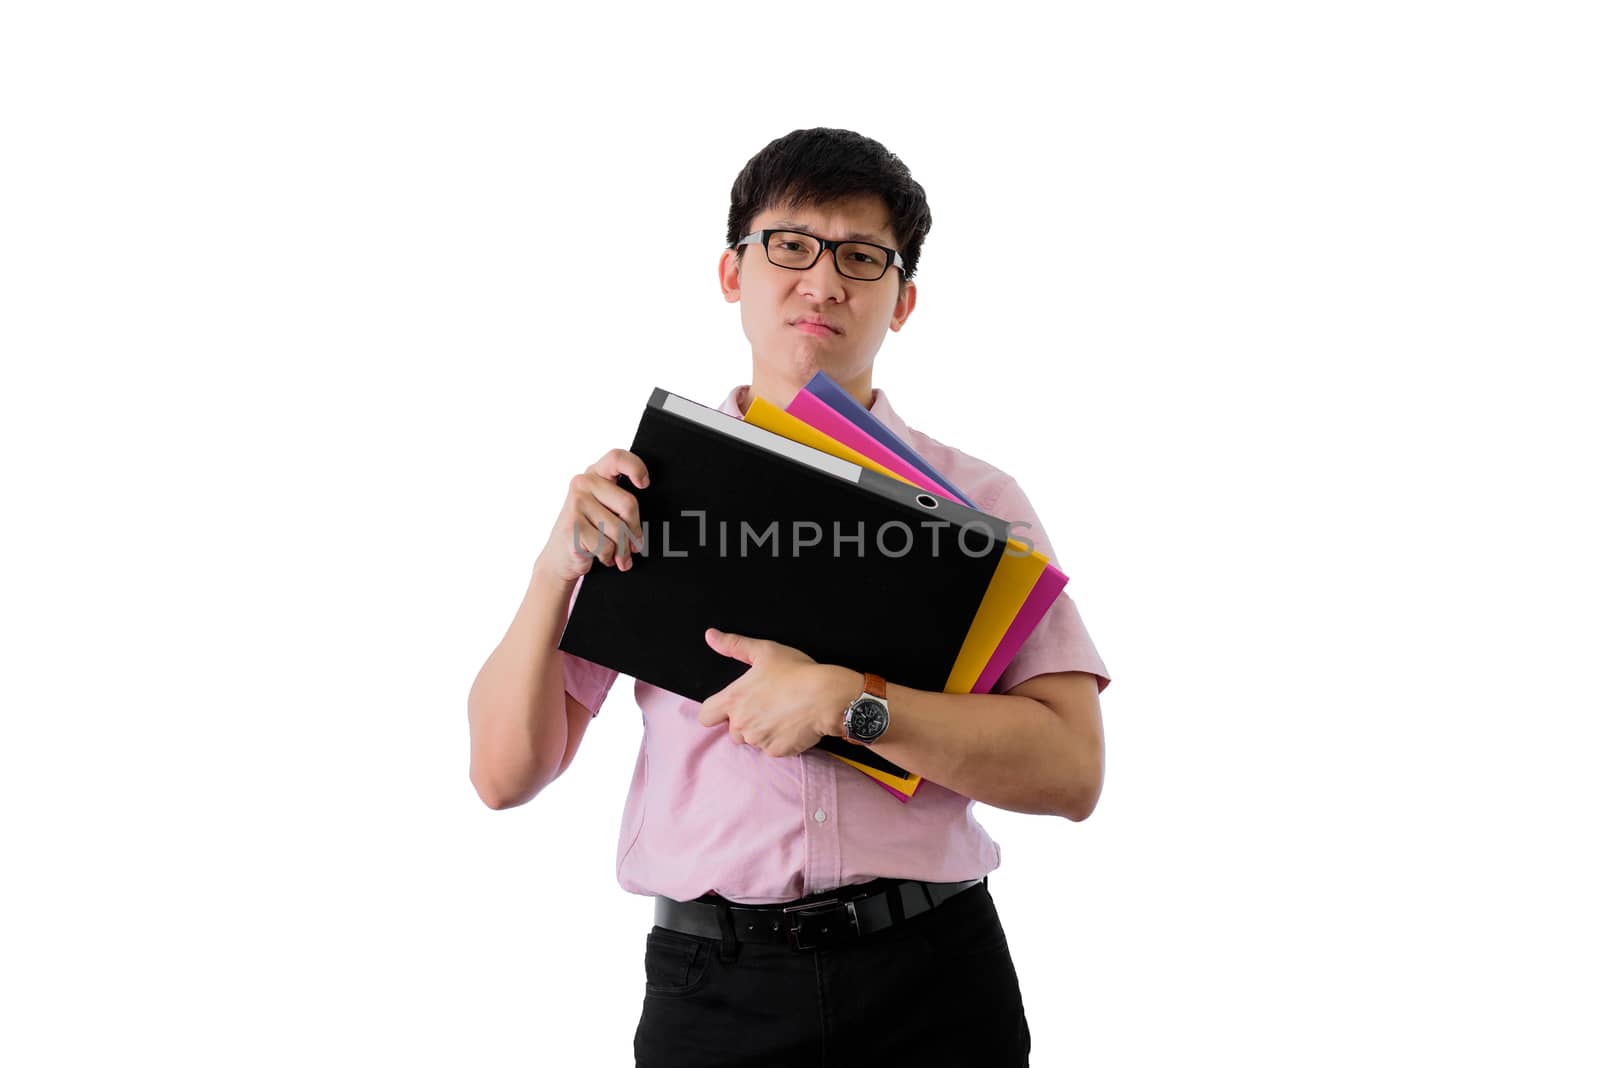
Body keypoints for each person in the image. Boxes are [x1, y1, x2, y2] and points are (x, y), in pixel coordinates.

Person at [466, 127, 1111, 1067]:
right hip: (715, 989)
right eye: (790, 246)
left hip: (934, 976)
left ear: (906, 298)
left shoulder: (980, 507)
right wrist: (547, 573)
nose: (823, 282)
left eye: (862, 257)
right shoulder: (646, 495)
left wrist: (853, 705)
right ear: (733, 273)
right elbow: (503, 775)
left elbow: (1072, 771)